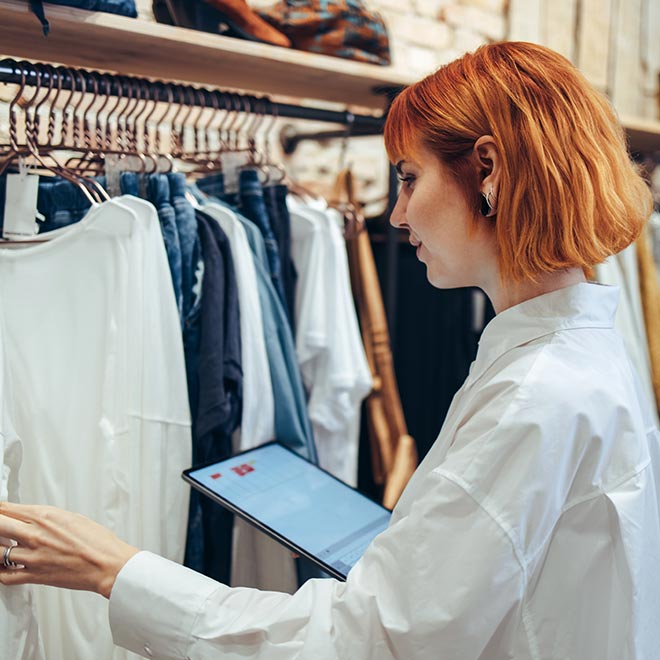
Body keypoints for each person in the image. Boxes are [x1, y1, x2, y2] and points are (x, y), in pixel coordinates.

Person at [1, 41, 659, 660]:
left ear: (486, 171)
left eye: (408, 178)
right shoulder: (582, 350)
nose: (396, 216)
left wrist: (117, 571)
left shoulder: (537, 392)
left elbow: (368, 641)